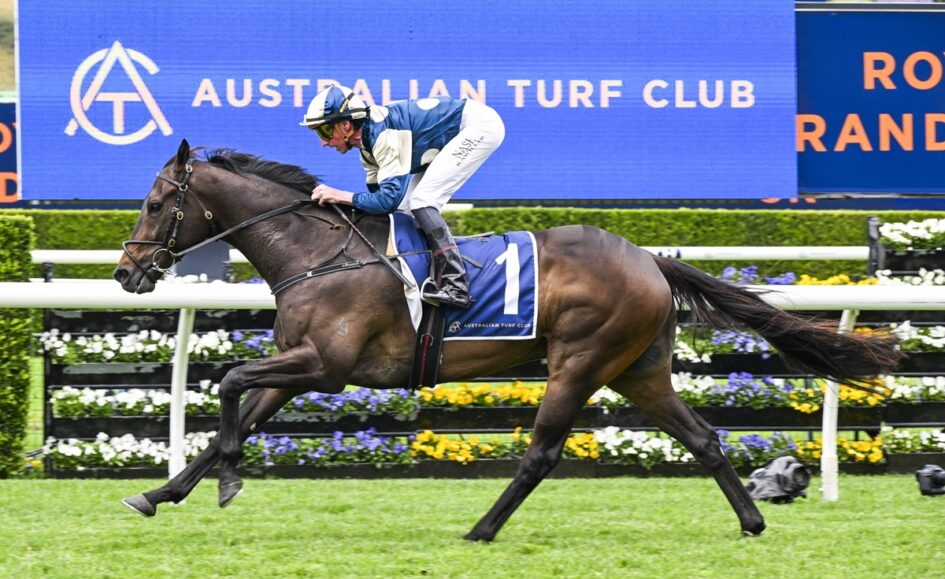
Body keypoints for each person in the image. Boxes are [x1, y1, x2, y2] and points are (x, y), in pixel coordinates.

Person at [301, 85, 505, 309]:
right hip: (453, 133)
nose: (323, 141)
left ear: (345, 125)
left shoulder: (383, 136)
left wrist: (339, 195)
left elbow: (387, 200)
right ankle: (425, 276)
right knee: (405, 210)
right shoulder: (367, 150)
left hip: (478, 126)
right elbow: (382, 205)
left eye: (324, 131)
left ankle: (456, 285)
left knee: (422, 201)